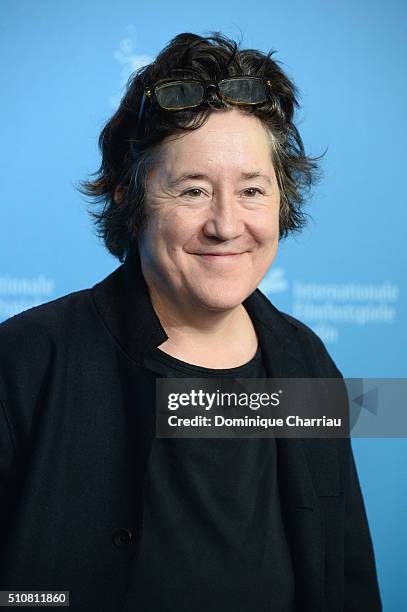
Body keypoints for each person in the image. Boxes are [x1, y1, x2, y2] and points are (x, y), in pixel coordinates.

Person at [0, 32, 381, 611]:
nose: (226, 225)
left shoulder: (307, 363)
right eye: (194, 190)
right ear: (131, 199)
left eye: (252, 190)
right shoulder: (27, 360)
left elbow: (347, 581)